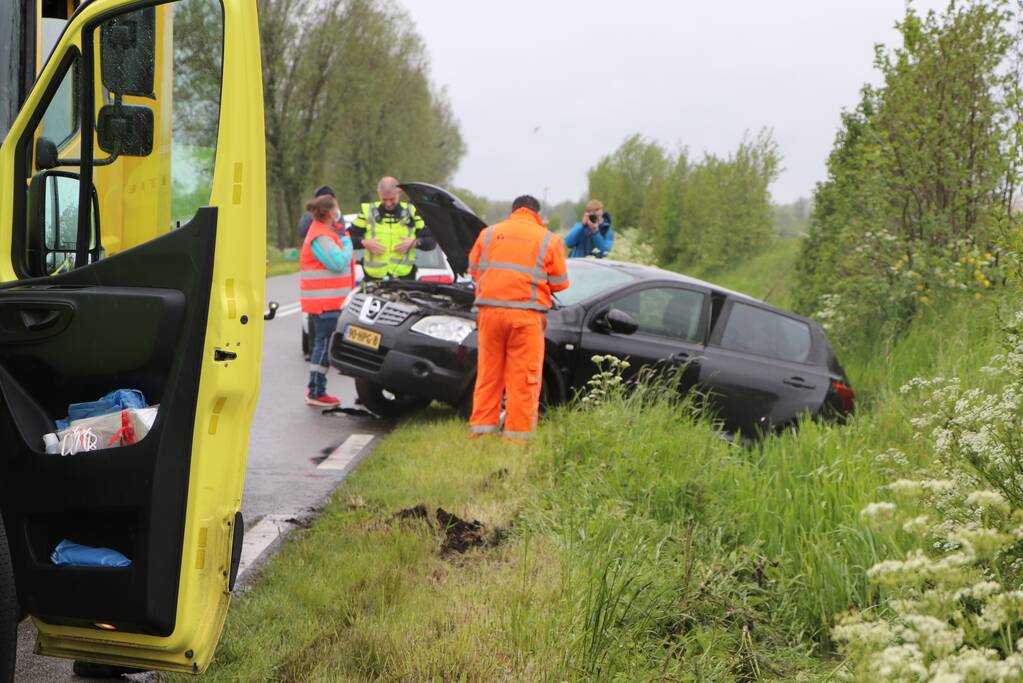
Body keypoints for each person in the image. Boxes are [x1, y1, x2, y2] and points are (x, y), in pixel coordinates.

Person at [467, 195, 569, 443]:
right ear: (536, 214)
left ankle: (481, 433)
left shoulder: (489, 234)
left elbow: (473, 271)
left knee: (488, 375)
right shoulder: (549, 240)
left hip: (489, 314)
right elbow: (560, 283)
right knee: (523, 379)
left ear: (513, 211)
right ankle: (516, 439)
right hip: (525, 317)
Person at [300, 193, 354, 407]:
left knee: (321, 346)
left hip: (326, 303)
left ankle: (316, 389)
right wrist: (347, 241)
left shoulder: (324, 232)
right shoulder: (320, 236)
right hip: (325, 304)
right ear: (331, 212)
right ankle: (315, 391)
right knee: (322, 347)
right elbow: (338, 263)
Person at [349, 176, 436, 280]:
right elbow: (346, 239)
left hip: (404, 278)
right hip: (373, 278)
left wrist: (415, 243)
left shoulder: (412, 212)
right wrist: (364, 243)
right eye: (384, 199)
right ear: (379, 194)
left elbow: (431, 242)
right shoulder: (368, 212)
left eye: (392, 199)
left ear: (399, 192)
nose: (388, 204)